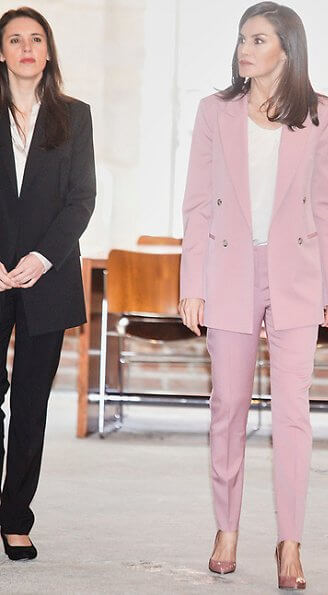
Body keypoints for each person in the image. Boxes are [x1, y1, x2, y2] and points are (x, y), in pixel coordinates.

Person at [179, 1, 328, 590]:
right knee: (227, 406)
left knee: (292, 413)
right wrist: (192, 285)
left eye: (258, 40)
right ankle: (226, 528)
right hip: (229, 271)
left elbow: (326, 207)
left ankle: (290, 542)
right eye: (241, 39)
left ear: (286, 49)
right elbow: (197, 204)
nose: (244, 50)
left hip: (297, 274)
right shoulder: (214, 111)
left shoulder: (319, 114)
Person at [0, 7, 95, 560]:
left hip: (48, 276)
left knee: (32, 403)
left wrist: (41, 258)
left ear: (48, 50)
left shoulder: (74, 116)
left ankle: (15, 518)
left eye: (36, 38)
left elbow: (82, 199)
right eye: (14, 39)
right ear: (2, 52)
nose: (26, 47)